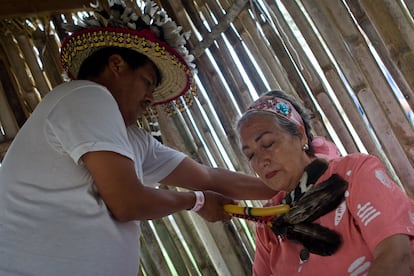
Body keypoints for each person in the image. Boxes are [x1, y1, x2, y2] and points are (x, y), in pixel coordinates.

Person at [0, 1, 276, 275]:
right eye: (147, 82)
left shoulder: (131, 138)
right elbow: (127, 203)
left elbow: (207, 177)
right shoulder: (86, 96)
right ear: (117, 64)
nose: (150, 98)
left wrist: (285, 183)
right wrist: (196, 201)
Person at [236, 89, 414, 275]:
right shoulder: (268, 223)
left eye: (268, 144)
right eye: (250, 155)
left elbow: (397, 258)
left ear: (300, 135)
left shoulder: (354, 173)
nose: (261, 161)